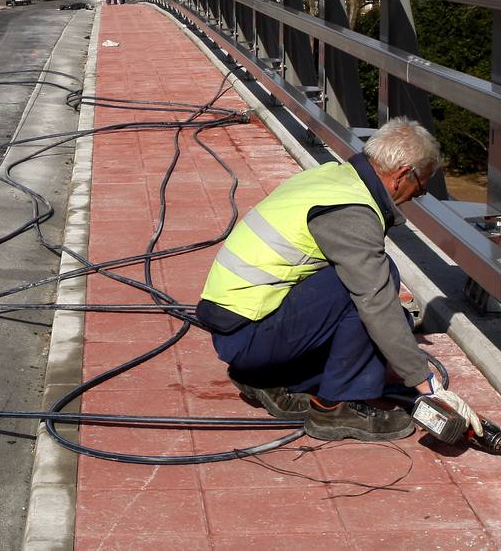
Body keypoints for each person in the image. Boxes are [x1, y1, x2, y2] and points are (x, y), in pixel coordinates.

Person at [196, 117, 480, 442]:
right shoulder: (352, 212)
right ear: (403, 175)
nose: (418, 195)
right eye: (422, 187)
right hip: (248, 336)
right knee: (376, 286)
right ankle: (335, 407)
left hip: (237, 326)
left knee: (390, 316)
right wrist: (425, 383)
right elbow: (373, 301)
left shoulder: (332, 177)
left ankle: (267, 377)